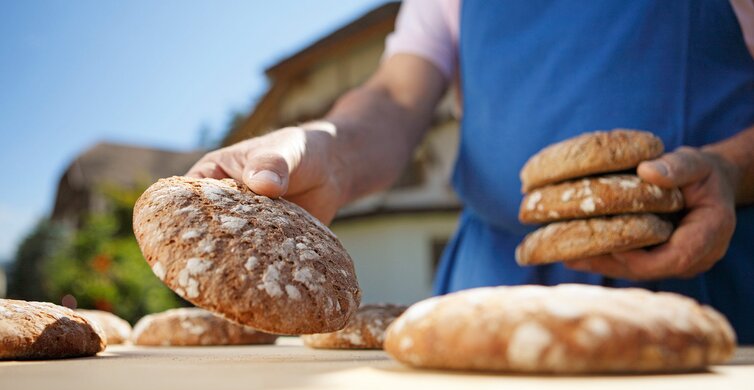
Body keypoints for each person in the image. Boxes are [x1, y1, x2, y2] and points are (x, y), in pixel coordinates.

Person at [188, 0, 754, 343]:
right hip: (490, 285)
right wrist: (326, 150)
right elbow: (395, 96)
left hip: (705, 283)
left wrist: (729, 170)